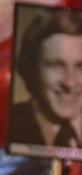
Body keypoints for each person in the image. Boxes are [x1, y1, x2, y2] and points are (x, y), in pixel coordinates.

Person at [11, 8, 82, 150]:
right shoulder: (9, 125)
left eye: (81, 66)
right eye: (56, 65)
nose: (69, 82)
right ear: (31, 68)